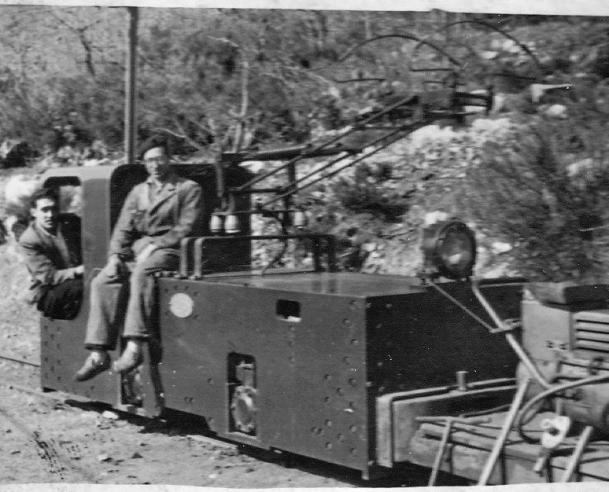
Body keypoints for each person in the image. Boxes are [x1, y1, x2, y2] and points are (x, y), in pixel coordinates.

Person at [75, 136, 203, 382]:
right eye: (149, 161)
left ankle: (134, 346)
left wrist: (156, 244)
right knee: (103, 280)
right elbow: (123, 228)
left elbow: (187, 227)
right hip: (141, 251)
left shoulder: (188, 189)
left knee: (142, 273)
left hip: (173, 251)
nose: (155, 165)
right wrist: (115, 256)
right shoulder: (139, 192)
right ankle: (98, 353)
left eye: (159, 159)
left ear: (169, 159)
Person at [19, 188, 84, 320]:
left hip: (74, 281)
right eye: (44, 210)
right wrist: (77, 271)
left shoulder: (70, 222)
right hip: (49, 291)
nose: (50, 215)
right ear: (34, 212)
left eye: (54, 209)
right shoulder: (29, 239)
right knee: (80, 285)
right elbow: (48, 276)